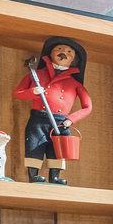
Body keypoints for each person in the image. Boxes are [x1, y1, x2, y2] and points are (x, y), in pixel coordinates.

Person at [13, 38, 91, 184]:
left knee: (57, 149)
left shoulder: (74, 84)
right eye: (59, 49)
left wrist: (71, 119)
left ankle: (55, 176)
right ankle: (33, 175)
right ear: (50, 53)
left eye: (69, 52)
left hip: (61, 122)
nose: (64, 53)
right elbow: (18, 93)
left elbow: (88, 107)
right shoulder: (36, 75)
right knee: (34, 145)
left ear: (74, 60)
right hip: (38, 119)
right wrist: (33, 92)